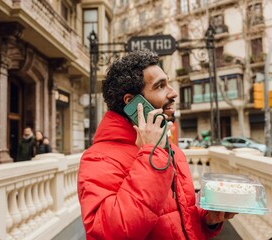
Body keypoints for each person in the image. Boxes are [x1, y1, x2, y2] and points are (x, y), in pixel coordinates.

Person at [77, 50, 236, 239]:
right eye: (160, 86)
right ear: (133, 103)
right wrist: (151, 154)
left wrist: (208, 219)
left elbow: (177, 219)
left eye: (168, 83)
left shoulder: (173, 151)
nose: (173, 92)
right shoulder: (97, 159)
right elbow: (111, 232)